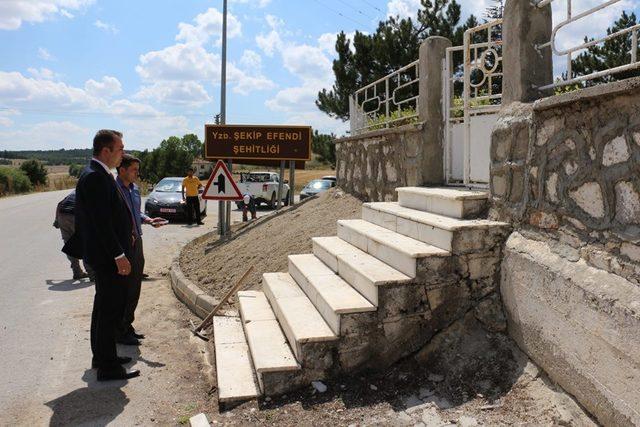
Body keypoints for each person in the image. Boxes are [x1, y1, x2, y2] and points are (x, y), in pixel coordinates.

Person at [72, 129, 140, 381]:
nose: (122, 152)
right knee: (109, 309)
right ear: (106, 151)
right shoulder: (95, 177)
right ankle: (108, 367)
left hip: (106, 256)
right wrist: (119, 255)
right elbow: (102, 224)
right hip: (107, 258)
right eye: (120, 148)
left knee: (104, 308)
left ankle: (104, 357)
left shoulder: (99, 174)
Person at [115, 154, 166, 345]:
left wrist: (149, 220)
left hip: (138, 243)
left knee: (134, 286)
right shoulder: (113, 190)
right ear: (122, 170)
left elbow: (136, 213)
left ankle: (127, 326)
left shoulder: (134, 189)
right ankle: (119, 331)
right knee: (123, 289)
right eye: (134, 170)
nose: (137, 173)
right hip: (122, 245)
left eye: (138, 169)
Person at [53, 191, 94, 281]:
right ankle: (92, 274)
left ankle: (77, 272)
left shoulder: (73, 193)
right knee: (84, 243)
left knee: (69, 245)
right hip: (73, 215)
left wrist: (56, 220)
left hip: (62, 215)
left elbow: (59, 204)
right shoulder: (88, 193)